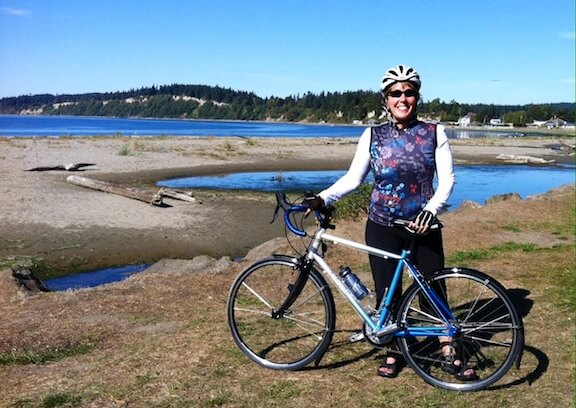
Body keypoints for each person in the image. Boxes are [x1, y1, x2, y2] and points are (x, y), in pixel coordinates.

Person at [306, 65, 476, 380]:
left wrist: (432, 209)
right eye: (396, 93)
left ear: (417, 97)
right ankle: (394, 350)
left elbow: (447, 179)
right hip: (382, 225)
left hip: (421, 225)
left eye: (409, 92)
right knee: (388, 291)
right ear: (386, 99)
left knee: (433, 287)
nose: (403, 98)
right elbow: (353, 179)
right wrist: (322, 198)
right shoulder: (373, 135)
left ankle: (449, 349)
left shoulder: (434, 132)